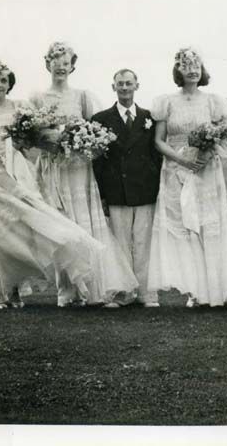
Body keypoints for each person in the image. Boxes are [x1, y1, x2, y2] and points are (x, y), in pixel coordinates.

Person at [0, 59, 103, 308]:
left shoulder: (20, 108)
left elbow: (32, 139)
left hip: (17, 176)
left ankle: (16, 290)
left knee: (20, 232)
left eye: (3, 81)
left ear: (9, 84)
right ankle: (0, 295)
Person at [31, 41, 138, 307]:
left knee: (83, 224)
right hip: (53, 168)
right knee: (60, 226)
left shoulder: (82, 97)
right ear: (47, 65)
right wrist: (47, 141)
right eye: (56, 63)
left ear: (72, 67)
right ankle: (66, 290)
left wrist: (83, 143)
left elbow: (96, 132)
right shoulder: (37, 98)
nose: (61, 67)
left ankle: (91, 287)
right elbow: (31, 136)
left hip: (79, 170)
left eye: (65, 63)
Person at [147, 47, 227, 307]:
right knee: (184, 226)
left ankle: (218, 288)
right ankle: (195, 290)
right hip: (176, 170)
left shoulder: (213, 101)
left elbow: (224, 133)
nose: (192, 70)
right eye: (186, 66)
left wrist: (207, 152)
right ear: (178, 70)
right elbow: (159, 141)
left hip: (206, 169)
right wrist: (182, 160)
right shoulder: (166, 102)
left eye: (196, 66)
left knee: (209, 225)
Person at [92, 68, 162, 307]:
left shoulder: (149, 117)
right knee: (120, 243)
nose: (124, 88)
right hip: (116, 190)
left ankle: (146, 292)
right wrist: (101, 194)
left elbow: (156, 155)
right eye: (120, 84)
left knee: (144, 243)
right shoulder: (100, 119)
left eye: (128, 83)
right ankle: (123, 292)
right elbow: (97, 161)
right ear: (114, 87)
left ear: (136, 86)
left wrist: (156, 186)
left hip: (144, 189)